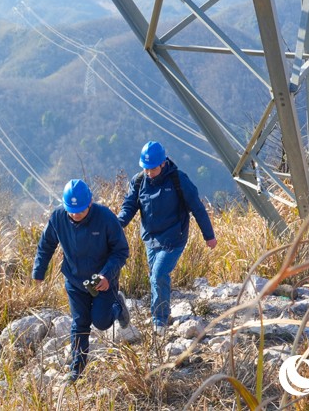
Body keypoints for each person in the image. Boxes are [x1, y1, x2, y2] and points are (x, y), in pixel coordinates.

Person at [33, 179, 130, 383]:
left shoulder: (105, 217)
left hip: (103, 281)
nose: (76, 214)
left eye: (80, 210)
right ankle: (77, 371)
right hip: (75, 281)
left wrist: (106, 274)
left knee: (101, 322)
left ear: (90, 203)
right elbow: (46, 245)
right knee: (80, 323)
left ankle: (118, 307)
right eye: (72, 210)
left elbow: (121, 250)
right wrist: (39, 271)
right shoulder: (58, 218)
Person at [118, 141, 216, 336]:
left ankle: (159, 321)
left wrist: (209, 235)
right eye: (145, 168)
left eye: (152, 168)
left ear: (163, 164)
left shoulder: (179, 180)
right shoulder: (139, 181)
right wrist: (116, 224)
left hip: (174, 237)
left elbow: (197, 207)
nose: (148, 172)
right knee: (155, 276)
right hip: (151, 239)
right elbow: (129, 207)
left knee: (159, 273)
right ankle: (164, 313)